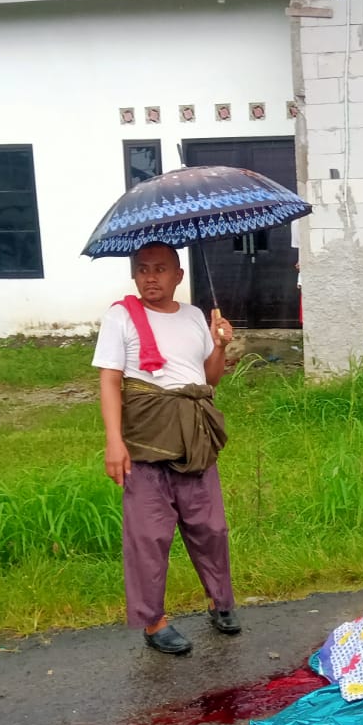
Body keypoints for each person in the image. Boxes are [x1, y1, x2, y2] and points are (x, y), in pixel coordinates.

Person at [94, 242, 241, 656]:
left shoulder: (195, 316)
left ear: (178, 275)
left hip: (193, 436)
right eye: (143, 270)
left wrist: (219, 345)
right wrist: (113, 441)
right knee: (149, 535)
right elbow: (109, 381)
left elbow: (209, 381)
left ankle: (219, 601)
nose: (151, 278)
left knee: (210, 527)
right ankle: (153, 621)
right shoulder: (121, 317)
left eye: (160, 269)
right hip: (145, 439)